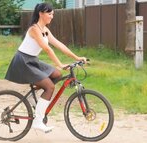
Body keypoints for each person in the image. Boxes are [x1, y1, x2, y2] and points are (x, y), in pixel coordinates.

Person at [5, 3, 86, 133]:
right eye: (49, 14)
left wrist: (76, 57)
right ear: (41, 13)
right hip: (23, 62)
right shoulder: (34, 29)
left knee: (57, 74)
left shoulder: (45, 30)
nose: (52, 16)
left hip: (32, 60)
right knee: (49, 87)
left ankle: (34, 96)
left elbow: (59, 45)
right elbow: (47, 49)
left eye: (52, 14)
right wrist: (60, 63)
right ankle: (38, 122)